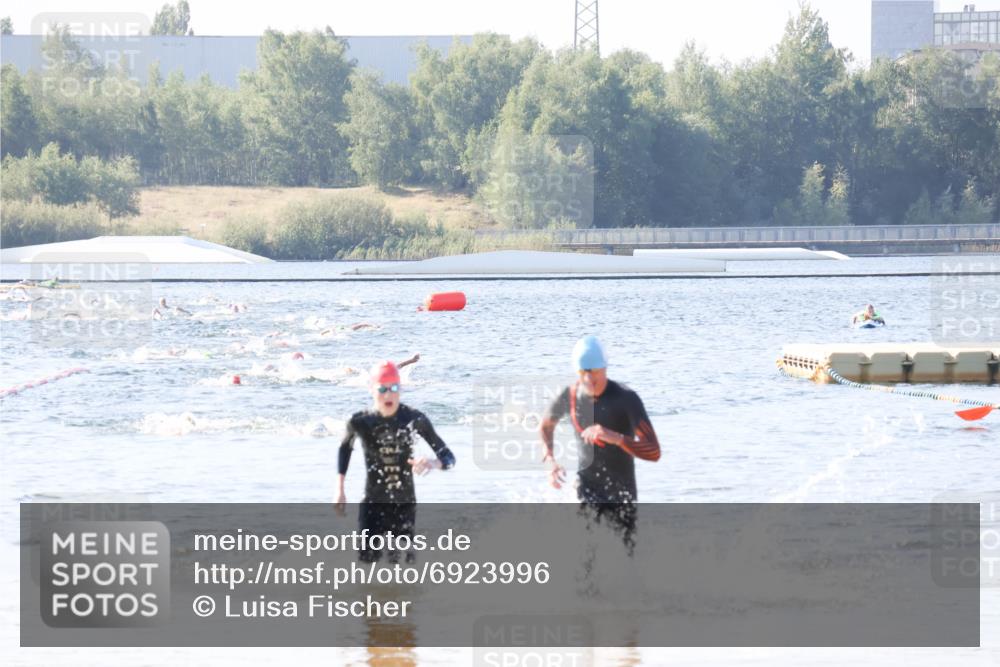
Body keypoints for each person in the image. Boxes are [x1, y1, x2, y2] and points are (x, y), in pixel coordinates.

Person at [540, 336, 660, 554]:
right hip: (587, 489)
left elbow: (654, 451)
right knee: (585, 557)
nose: (588, 378)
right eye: (582, 373)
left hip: (621, 495)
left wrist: (615, 437)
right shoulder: (570, 395)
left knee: (624, 558)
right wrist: (550, 459)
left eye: (594, 372)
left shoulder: (626, 399)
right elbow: (546, 425)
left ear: (604, 368)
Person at [335, 360, 455, 563]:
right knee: (366, 569)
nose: (389, 395)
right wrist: (340, 488)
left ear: (401, 388)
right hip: (372, 504)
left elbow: (448, 457)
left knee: (403, 569)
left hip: (404, 505)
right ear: (371, 389)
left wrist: (432, 463)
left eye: (394, 388)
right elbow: (344, 448)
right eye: (382, 389)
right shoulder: (360, 421)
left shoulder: (414, 419)